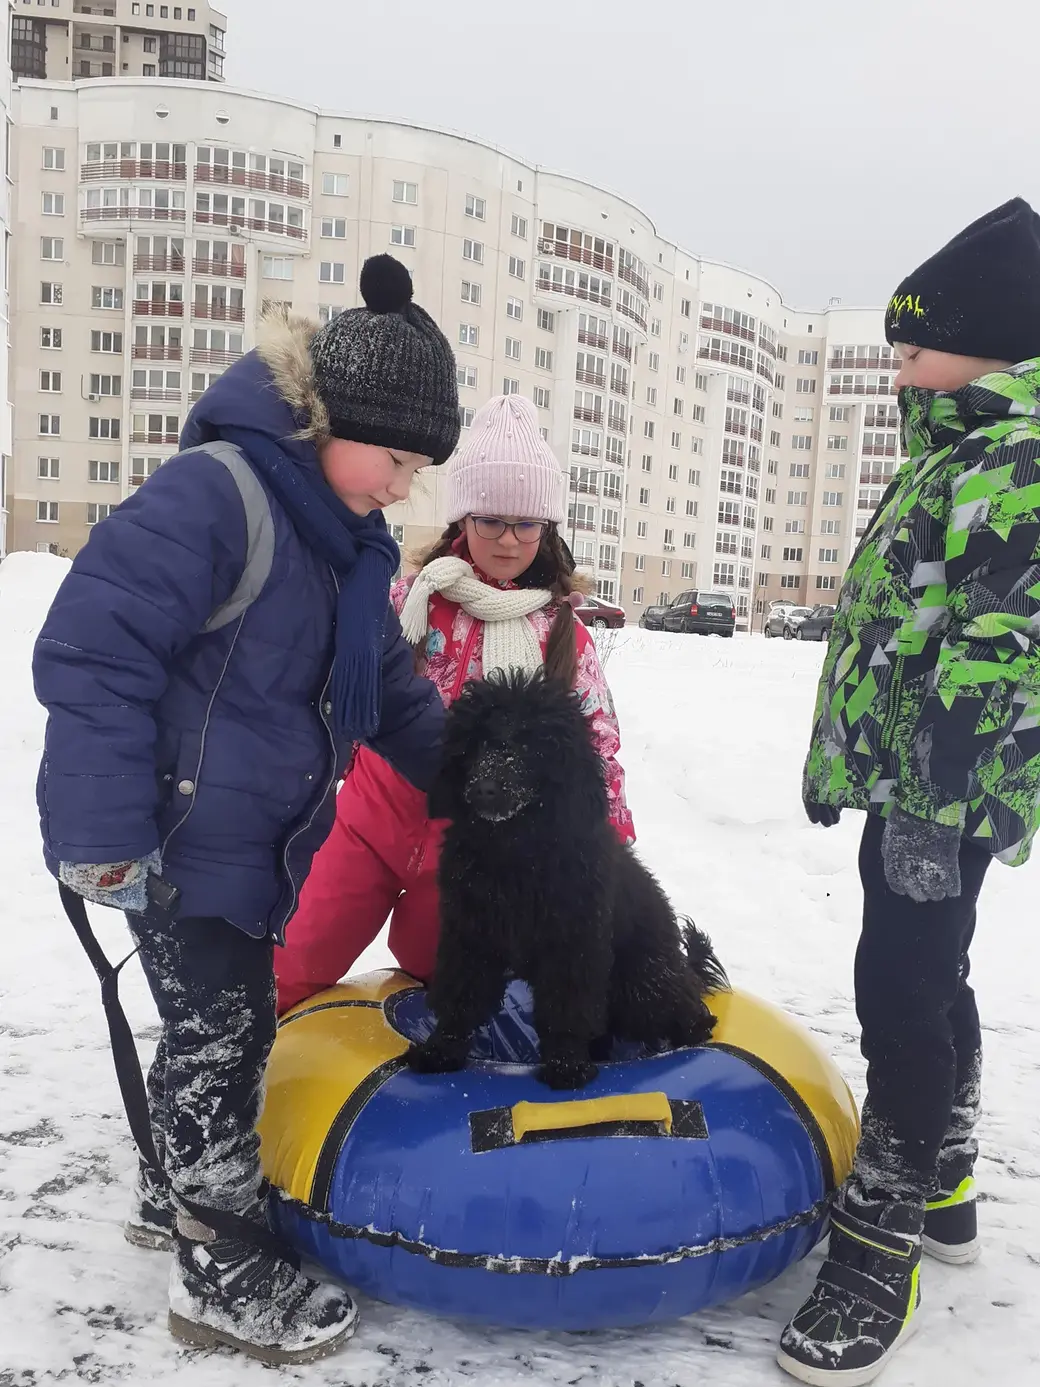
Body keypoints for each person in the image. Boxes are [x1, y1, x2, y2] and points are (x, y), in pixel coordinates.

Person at [32, 255, 460, 1365]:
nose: (404, 485)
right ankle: (220, 1265)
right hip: (173, 839)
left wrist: (473, 768)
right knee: (224, 1040)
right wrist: (100, 833)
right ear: (333, 421)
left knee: (219, 1031)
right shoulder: (216, 495)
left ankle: (170, 1179)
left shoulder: (350, 552)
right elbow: (94, 652)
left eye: (420, 466)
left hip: (263, 844)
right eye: (398, 456)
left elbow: (393, 693)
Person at [780, 197, 1040, 1385]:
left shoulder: (1014, 458)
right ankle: (941, 1179)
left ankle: (880, 1227)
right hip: (911, 780)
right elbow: (893, 633)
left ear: (989, 341)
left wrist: (933, 796)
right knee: (932, 971)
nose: (896, 362)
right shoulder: (957, 450)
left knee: (897, 987)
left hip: (942, 788)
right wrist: (852, 759)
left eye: (911, 342)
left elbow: (1000, 644)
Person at [274, 393, 634, 1015]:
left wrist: (611, 851)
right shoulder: (410, 600)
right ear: (462, 517)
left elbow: (596, 748)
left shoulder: (561, 634)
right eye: (489, 519)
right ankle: (245, 1096)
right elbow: (336, 689)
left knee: (448, 991)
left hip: (470, 855)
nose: (507, 539)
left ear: (546, 529)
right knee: (291, 964)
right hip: (368, 822)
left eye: (525, 523)